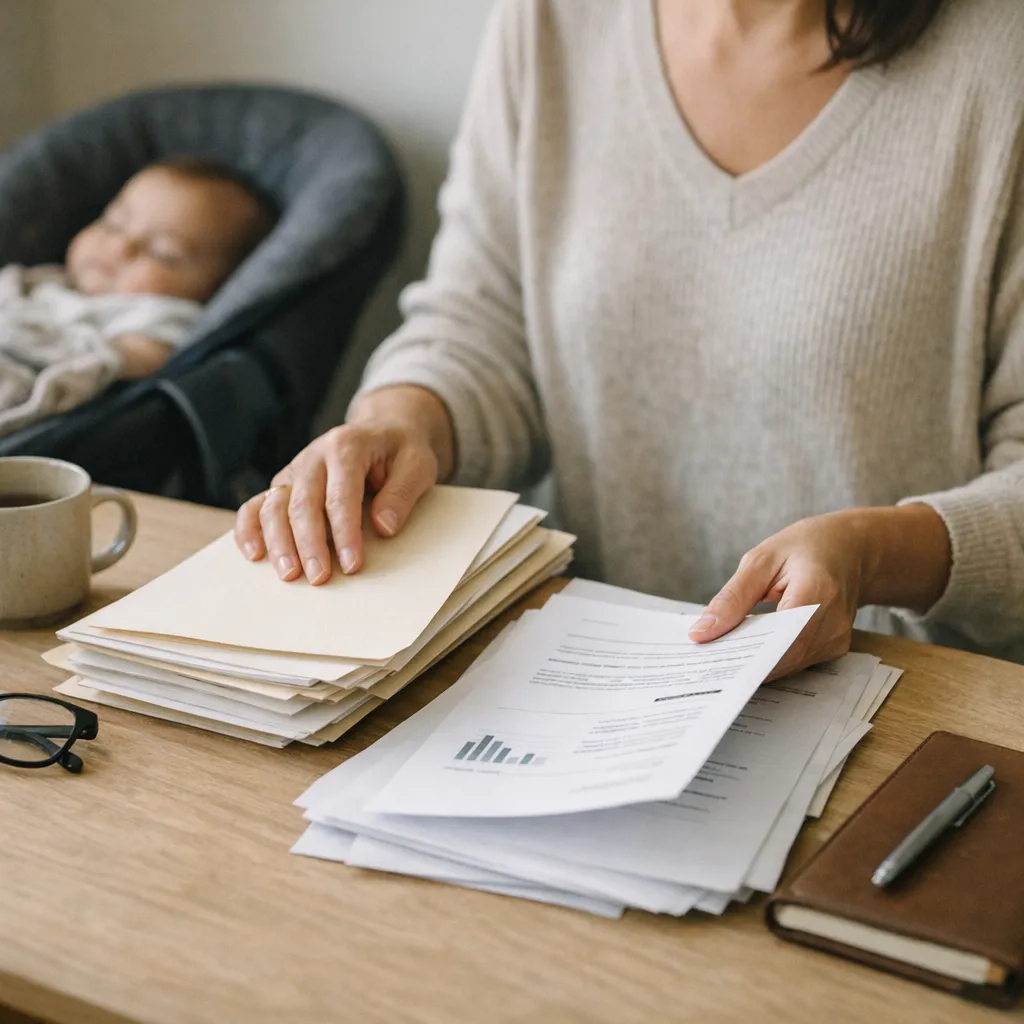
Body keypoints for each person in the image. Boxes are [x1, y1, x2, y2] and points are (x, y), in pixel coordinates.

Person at [236, 0, 1024, 671]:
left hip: (912, 709)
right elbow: (480, 320)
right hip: (580, 684)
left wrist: (873, 552)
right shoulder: (553, 23)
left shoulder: (1000, 62)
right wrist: (400, 422)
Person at [0, 157, 277, 436]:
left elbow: (137, 359)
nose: (121, 245)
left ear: (212, 291)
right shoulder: (47, 284)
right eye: (113, 223)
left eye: (162, 253)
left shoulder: (160, 317)